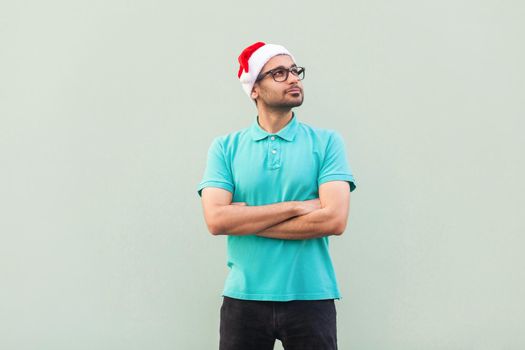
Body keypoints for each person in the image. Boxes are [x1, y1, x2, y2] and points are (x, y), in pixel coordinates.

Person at [197, 41, 357, 350]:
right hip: (243, 298)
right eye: (279, 73)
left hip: (311, 295)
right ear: (254, 88)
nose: (294, 78)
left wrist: (243, 219)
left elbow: (334, 219)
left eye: (295, 71)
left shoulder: (326, 143)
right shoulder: (225, 147)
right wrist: (298, 207)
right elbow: (216, 220)